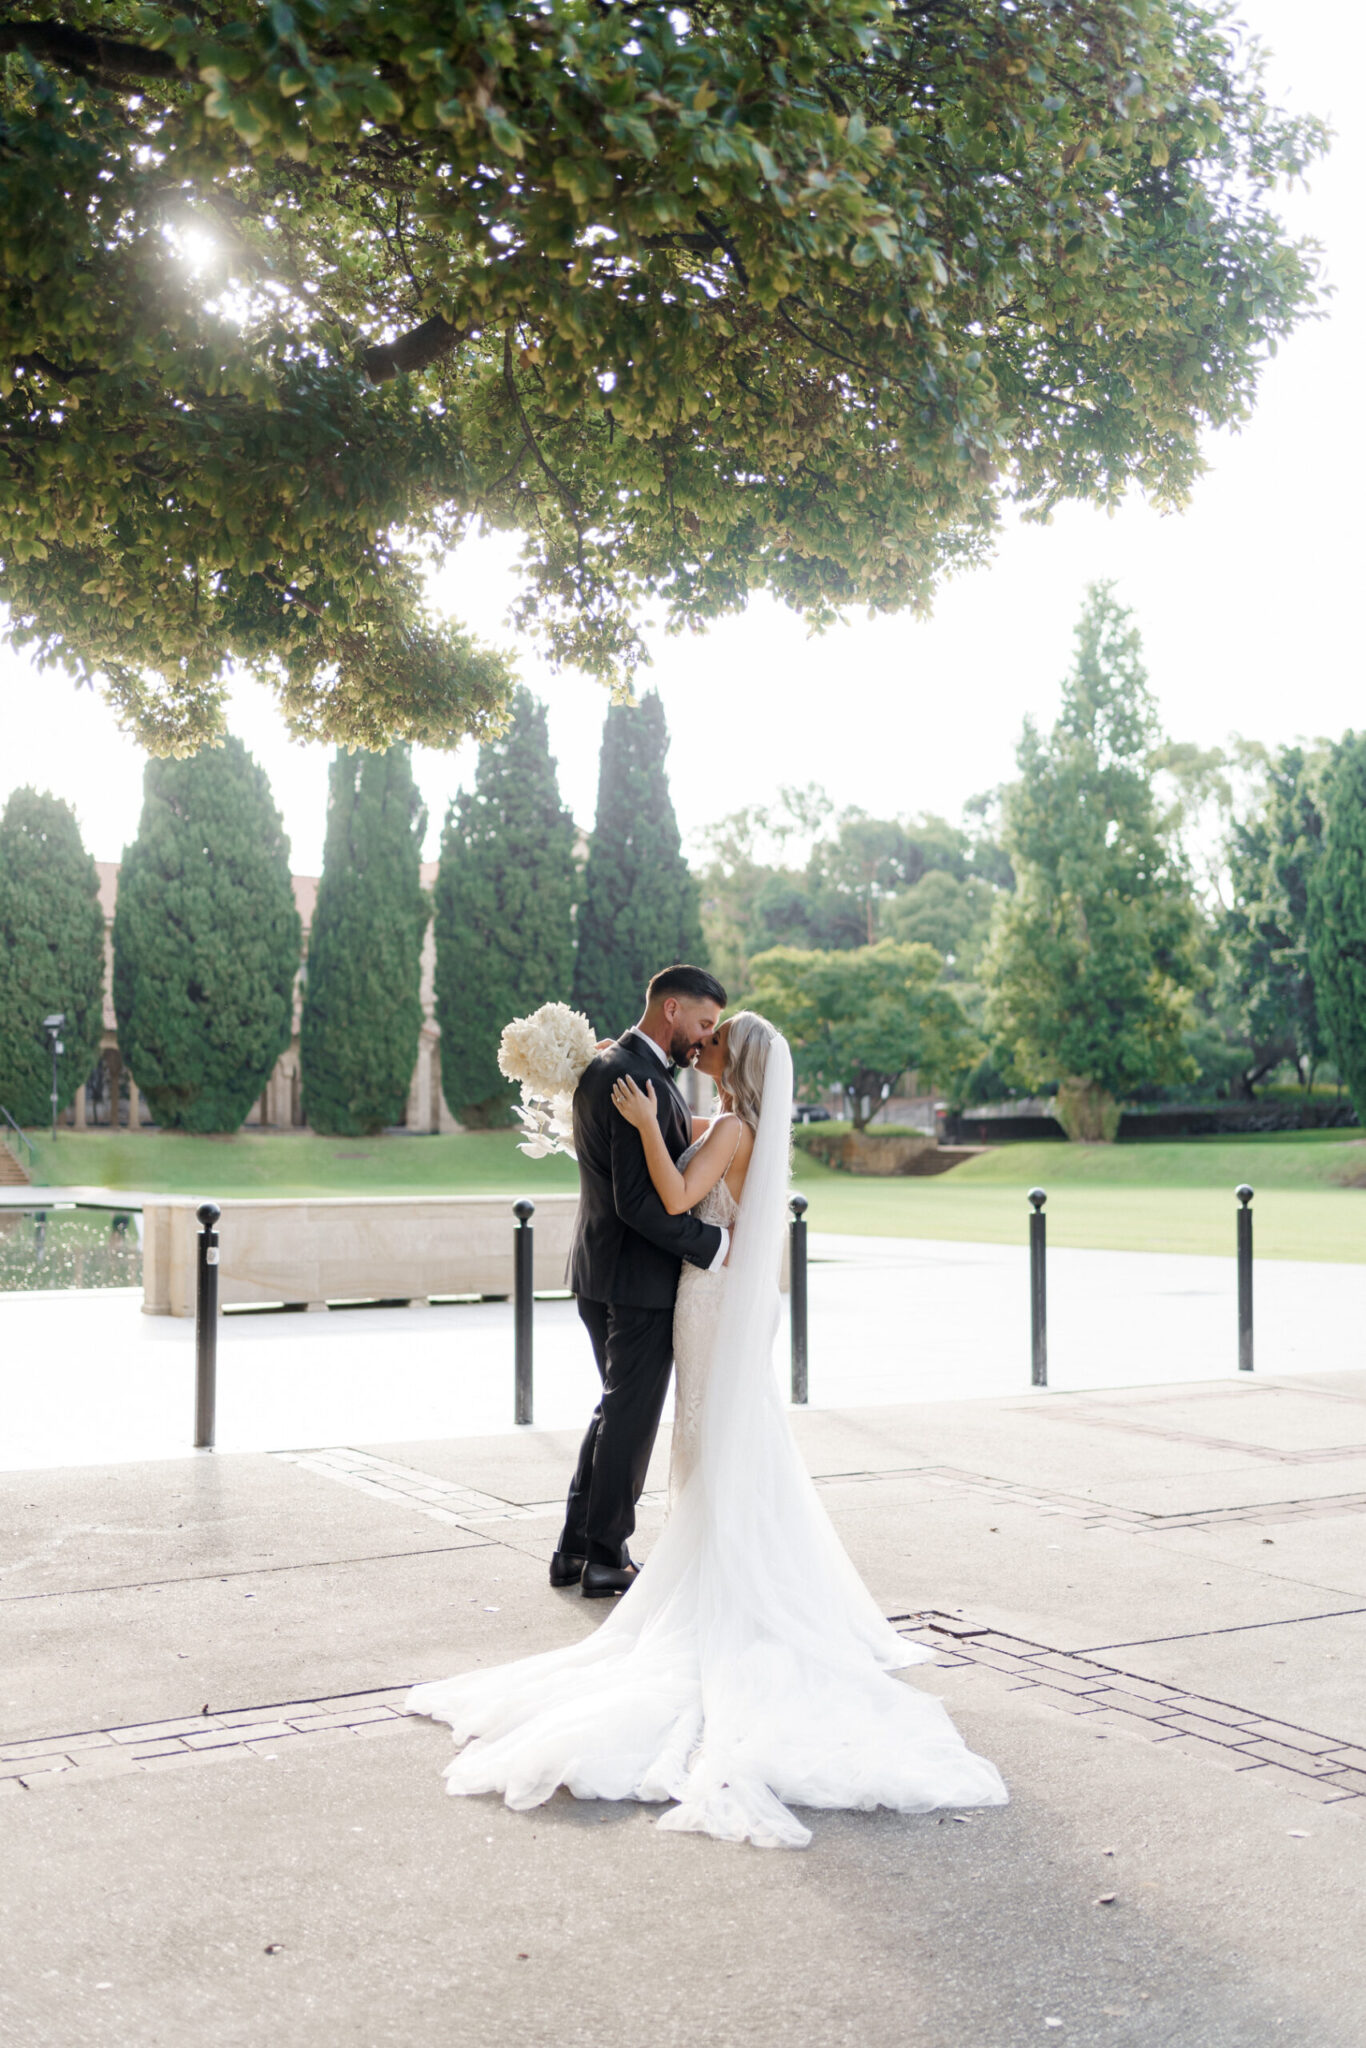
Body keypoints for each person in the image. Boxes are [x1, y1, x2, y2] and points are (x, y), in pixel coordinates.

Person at [408, 1005, 1007, 1849]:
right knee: (728, 1437)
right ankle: (719, 1559)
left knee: (705, 1440)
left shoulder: (725, 1128)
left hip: (710, 1299)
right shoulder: (743, 1126)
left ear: (737, 1062)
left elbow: (683, 1191)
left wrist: (653, 1128)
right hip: (735, 1299)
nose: (705, 1044)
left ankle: (710, 1572)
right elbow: (714, 1176)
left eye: (718, 1042)